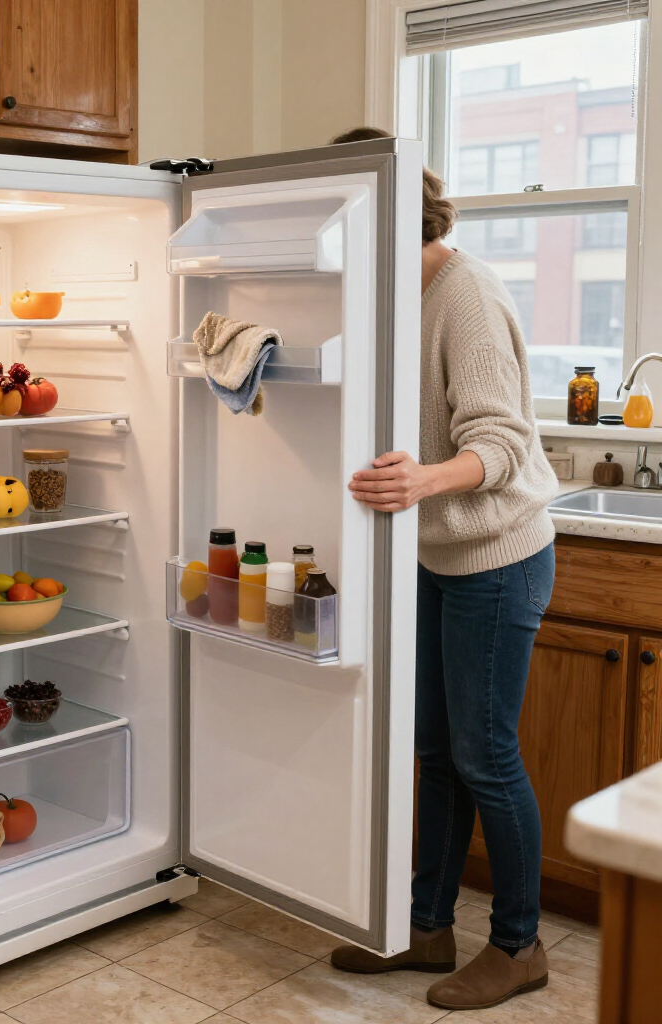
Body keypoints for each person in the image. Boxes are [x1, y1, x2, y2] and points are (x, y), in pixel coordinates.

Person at [327, 127, 558, 1012]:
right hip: (430, 554)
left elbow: (500, 442)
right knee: (432, 749)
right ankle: (425, 929)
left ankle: (520, 942)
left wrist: (423, 479)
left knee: (484, 753)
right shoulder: (397, 292)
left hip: (497, 557)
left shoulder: (465, 295)